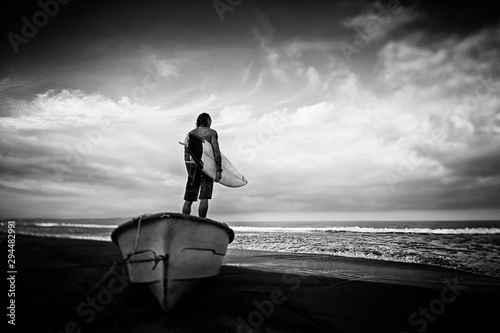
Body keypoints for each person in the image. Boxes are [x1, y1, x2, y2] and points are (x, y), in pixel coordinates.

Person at [182, 113, 222, 218]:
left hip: (193, 166)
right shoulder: (212, 133)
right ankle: (202, 222)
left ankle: (184, 221)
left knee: (189, 198)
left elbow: (186, 155)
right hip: (207, 166)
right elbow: (216, 151)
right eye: (210, 120)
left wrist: (189, 171)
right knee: (204, 197)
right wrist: (218, 170)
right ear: (207, 120)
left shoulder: (190, 133)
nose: (211, 122)